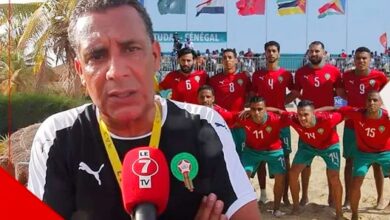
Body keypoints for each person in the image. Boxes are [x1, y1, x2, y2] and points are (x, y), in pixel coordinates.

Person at [27, 1, 261, 219]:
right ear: (80, 70)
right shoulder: (56, 137)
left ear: (155, 56)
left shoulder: (205, 124)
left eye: (131, 49)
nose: (116, 71)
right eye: (97, 55)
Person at [318, 91, 390, 220]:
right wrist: (314, 112)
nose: (371, 103)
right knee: (356, 182)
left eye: (375, 100)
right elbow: (335, 108)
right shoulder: (357, 113)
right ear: (365, 102)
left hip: (385, 153)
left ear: (381, 103)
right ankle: (355, 214)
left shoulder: (387, 117)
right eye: (369, 100)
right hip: (363, 154)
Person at [290, 41, 343, 206]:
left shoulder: (334, 71)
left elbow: (341, 94)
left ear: (324, 53)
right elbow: (296, 93)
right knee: (305, 162)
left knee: (331, 164)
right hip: (306, 122)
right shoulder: (300, 72)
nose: (314, 54)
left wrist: (333, 111)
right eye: (311, 51)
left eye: (317, 51)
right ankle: (304, 196)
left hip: (327, 123)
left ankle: (331, 197)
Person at [270, 100, 344, 219]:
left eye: (306, 115)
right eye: (300, 114)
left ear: (313, 113)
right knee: (293, 173)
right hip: (307, 146)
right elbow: (278, 111)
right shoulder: (293, 118)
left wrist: (321, 109)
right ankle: (296, 207)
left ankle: (339, 213)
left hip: (329, 146)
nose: (302, 118)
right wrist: (254, 111)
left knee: (334, 177)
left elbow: (341, 111)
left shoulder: (328, 119)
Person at [337, 46, 388, 209]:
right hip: (352, 125)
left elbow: (386, 95)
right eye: (358, 58)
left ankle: (380, 199)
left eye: (364, 58)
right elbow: (342, 93)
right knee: (350, 161)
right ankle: (347, 199)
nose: (361, 61)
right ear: (354, 59)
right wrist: (354, 105)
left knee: (376, 163)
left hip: (374, 125)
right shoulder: (346, 75)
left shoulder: (379, 76)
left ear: (370, 59)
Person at [251, 41, 295, 205]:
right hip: (261, 121)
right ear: (265, 54)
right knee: (261, 157)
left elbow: (296, 91)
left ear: (279, 54)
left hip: (281, 123)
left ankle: (284, 196)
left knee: (285, 157)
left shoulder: (286, 74)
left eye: (274, 51)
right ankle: (263, 193)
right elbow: (251, 95)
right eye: (268, 51)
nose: (271, 53)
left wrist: (282, 104)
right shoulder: (257, 75)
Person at [237, 96, 287, 217]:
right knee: (242, 177)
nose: (256, 112)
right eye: (253, 109)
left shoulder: (275, 119)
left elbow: (285, 113)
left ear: (266, 109)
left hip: (273, 151)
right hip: (252, 151)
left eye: (260, 109)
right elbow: (227, 117)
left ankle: (276, 209)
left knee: (280, 178)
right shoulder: (244, 117)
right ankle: (246, 204)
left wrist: (270, 109)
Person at [208, 48, 251, 113]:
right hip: (221, 118)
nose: (227, 60)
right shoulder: (214, 79)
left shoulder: (244, 77)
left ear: (236, 60)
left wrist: (247, 109)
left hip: (240, 118)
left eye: (230, 57)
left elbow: (251, 94)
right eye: (224, 58)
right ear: (222, 61)